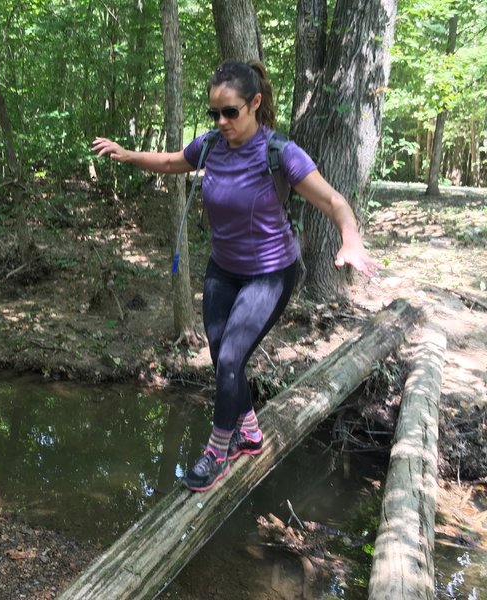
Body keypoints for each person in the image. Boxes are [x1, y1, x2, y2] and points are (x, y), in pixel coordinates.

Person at [92, 59, 378, 492]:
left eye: (231, 112)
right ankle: (249, 430)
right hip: (222, 270)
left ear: (255, 103)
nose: (222, 121)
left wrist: (351, 238)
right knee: (223, 353)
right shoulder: (210, 146)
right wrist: (129, 154)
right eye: (215, 113)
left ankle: (217, 453)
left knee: (229, 358)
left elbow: (335, 201)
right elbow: (172, 162)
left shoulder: (281, 153)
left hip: (270, 274)